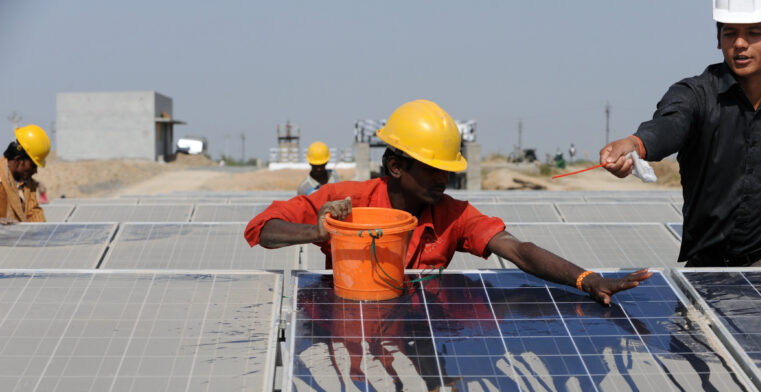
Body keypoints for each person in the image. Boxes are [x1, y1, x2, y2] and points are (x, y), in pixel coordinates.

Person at [247, 99, 651, 304]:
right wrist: (317, 232)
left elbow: (518, 250)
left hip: (423, 339)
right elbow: (262, 228)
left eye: (447, 170)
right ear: (395, 167)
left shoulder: (453, 215)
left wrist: (587, 279)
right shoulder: (346, 201)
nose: (443, 179)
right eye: (432, 169)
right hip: (352, 333)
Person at [600, 1, 761, 267]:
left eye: (753, 33)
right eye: (730, 33)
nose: (740, 43)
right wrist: (636, 144)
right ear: (718, 40)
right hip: (708, 265)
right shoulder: (695, 95)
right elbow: (670, 124)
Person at [1, 124, 51, 224]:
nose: (35, 171)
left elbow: (34, 213)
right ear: (18, 160)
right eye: (33, 165)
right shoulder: (1, 179)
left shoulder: (28, 184)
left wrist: (42, 231)